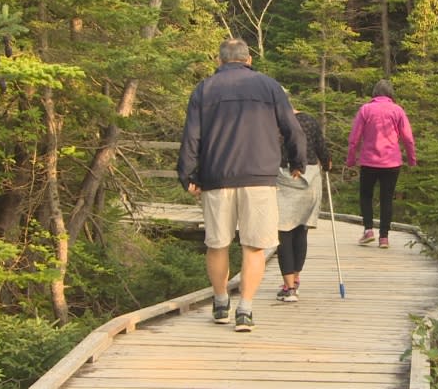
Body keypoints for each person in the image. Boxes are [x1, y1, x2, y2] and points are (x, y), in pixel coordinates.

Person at [177, 38, 306, 332]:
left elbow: (191, 136)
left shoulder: (204, 89)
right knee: (254, 246)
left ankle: (221, 301)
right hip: (258, 178)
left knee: (217, 243)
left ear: (219, 61)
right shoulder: (270, 87)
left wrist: (188, 174)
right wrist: (297, 162)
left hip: (216, 177)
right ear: (249, 60)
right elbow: (292, 128)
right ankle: (245, 310)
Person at [346, 79, 416, 249]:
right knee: (387, 199)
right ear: (390, 93)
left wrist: (350, 159)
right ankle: (384, 237)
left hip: (369, 161)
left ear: (375, 93)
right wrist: (412, 159)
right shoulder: (398, 110)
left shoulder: (366, 109)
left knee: (366, 196)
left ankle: (368, 230)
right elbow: (408, 138)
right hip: (392, 162)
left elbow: (354, 138)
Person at [275, 95, 332, 302]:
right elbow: (322, 149)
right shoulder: (308, 120)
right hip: (310, 177)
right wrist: (326, 163)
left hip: (282, 179)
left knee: (284, 234)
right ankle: (296, 279)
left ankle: (289, 287)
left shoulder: (273, 124)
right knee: (301, 230)